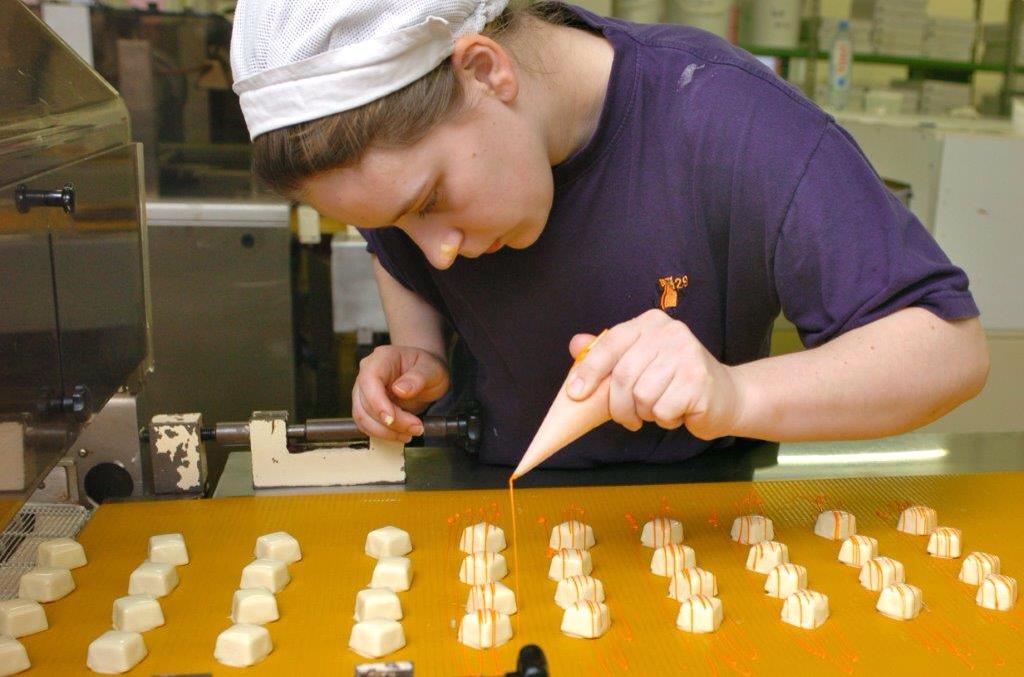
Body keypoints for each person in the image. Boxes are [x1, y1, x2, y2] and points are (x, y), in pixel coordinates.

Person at [230, 1, 989, 468]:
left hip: (705, 518)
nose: (440, 250)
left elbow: (947, 350)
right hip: (493, 503)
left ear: (487, 70)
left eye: (432, 199)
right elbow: (400, 251)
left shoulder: (727, 122)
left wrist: (733, 393)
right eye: (392, 220)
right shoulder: (416, 199)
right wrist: (420, 350)